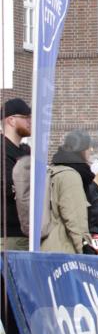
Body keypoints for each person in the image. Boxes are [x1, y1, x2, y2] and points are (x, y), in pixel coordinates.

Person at [41, 130, 95, 254]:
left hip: (49, 245)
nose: (91, 150)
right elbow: (75, 218)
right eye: (88, 147)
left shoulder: (54, 171)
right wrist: (85, 248)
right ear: (81, 149)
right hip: (64, 248)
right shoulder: (70, 176)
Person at [1, 97, 31, 250]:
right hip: (7, 234)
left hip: (27, 232)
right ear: (11, 120)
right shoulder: (2, 149)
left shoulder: (26, 151)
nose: (30, 121)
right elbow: (7, 187)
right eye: (26, 117)